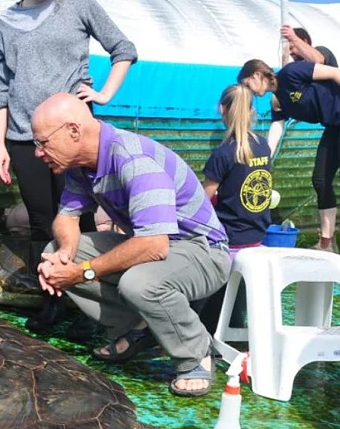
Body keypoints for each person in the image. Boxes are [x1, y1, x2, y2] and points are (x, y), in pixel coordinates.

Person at [0, 0, 139, 332]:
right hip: (25, 138)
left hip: (74, 134)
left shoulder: (79, 5)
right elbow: (2, 85)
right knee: (42, 222)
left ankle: (95, 302)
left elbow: (123, 49)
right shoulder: (7, 19)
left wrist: (105, 94)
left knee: (84, 218)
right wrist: (0, 143)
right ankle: (52, 301)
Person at [32, 93, 231, 397]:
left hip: (202, 250)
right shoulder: (80, 166)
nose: (37, 153)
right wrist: (65, 255)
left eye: (42, 142)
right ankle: (140, 329)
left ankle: (195, 351)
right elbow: (66, 218)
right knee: (49, 254)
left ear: (73, 131)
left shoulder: (133, 160)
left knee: (138, 284)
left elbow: (154, 246)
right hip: (155, 244)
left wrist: (81, 272)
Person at [238, 59, 340, 266]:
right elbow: (277, 129)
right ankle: (326, 243)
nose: (248, 90)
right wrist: (264, 159)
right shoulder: (277, 100)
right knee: (320, 180)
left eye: (247, 84)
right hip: (333, 125)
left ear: (257, 75)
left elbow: (335, 73)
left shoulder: (292, 72)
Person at [197, 84, 273, 332]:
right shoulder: (263, 147)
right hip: (257, 238)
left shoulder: (222, 153)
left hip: (228, 242)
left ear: (222, 109)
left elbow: (202, 202)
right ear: (251, 112)